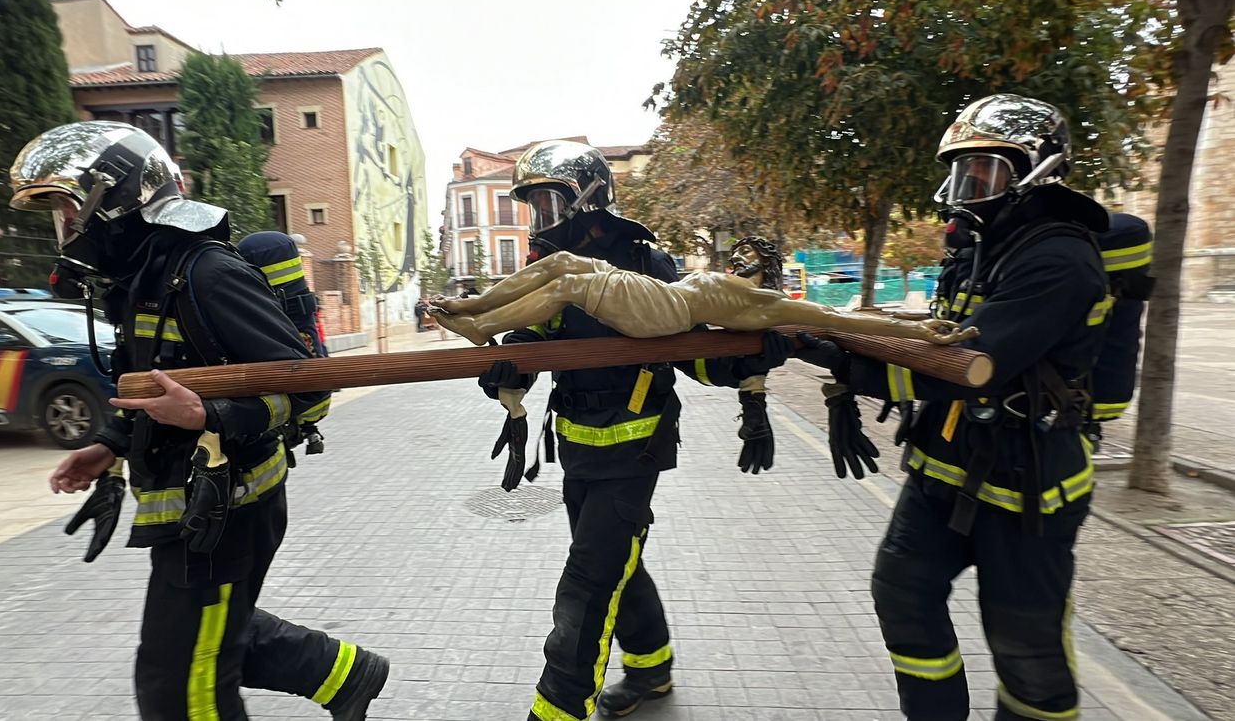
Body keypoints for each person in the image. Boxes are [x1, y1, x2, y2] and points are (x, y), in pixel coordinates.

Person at [10, 121, 389, 720]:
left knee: (181, 689)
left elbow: (308, 386)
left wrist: (207, 412)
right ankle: (346, 674)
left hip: (229, 512)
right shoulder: (143, 280)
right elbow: (153, 385)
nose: (67, 227)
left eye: (69, 207)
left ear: (119, 197)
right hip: (192, 511)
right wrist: (109, 445)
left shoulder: (206, 273)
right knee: (200, 643)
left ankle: (346, 675)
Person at [796, 94, 1112, 721]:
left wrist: (838, 359)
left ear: (1036, 170)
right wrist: (829, 333)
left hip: (1030, 484)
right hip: (944, 463)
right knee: (902, 593)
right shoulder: (977, 247)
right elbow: (935, 334)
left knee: (1028, 651)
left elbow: (971, 365)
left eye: (985, 171)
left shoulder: (1060, 260)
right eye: (962, 172)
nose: (967, 188)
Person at [476, 140, 793, 720]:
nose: (541, 220)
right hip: (576, 444)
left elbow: (690, 351)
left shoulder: (644, 261)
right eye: (534, 206)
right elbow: (537, 339)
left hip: (636, 447)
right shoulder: (546, 272)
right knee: (618, 562)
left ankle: (558, 709)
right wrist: (510, 363)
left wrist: (746, 361)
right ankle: (651, 667)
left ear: (591, 201)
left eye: (551, 203)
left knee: (589, 584)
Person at [427, 243, 975, 347]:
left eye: (750, 260)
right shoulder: (727, 279)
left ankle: (482, 328)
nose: (739, 260)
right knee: (565, 262)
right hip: (659, 294)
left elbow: (838, 318)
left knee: (571, 285)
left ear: (766, 272)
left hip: (666, 311)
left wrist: (914, 329)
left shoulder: (768, 305)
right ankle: (476, 306)